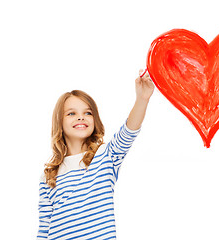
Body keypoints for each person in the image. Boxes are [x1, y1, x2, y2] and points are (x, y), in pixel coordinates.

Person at [37, 70, 154, 239]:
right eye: (71, 113)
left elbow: (129, 131)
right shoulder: (49, 176)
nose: (80, 118)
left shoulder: (105, 157)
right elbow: (44, 228)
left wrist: (142, 99)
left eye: (88, 113)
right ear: (59, 123)